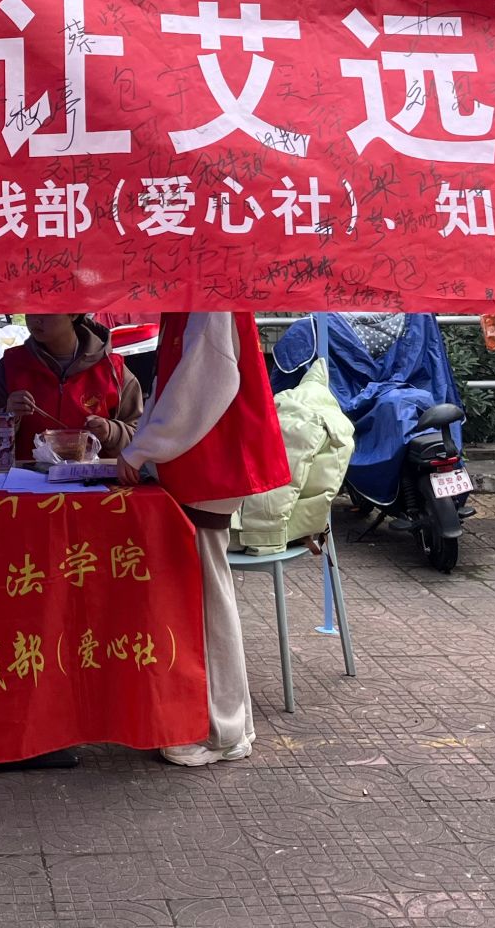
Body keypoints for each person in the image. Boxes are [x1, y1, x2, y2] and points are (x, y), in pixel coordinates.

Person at [114, 311, 291, 766]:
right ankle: (223, 724)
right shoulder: (193, 300)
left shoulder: (209, 299)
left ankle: (222, 729)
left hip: (210, 463)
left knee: (207, 600)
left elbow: (203, 382)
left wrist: (143, 449)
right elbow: (175, 385)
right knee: (204, 597)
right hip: (200, 462)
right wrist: (143, 446)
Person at [0, 313, 141, 460]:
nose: (35, 319)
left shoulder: (113, 370)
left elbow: (141, 439)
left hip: (94, 479)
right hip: (25, 480)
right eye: (30, 310)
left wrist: (110, 431)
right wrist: (7, 416)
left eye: (46, 312)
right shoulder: (10, 366)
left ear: (74, 314)